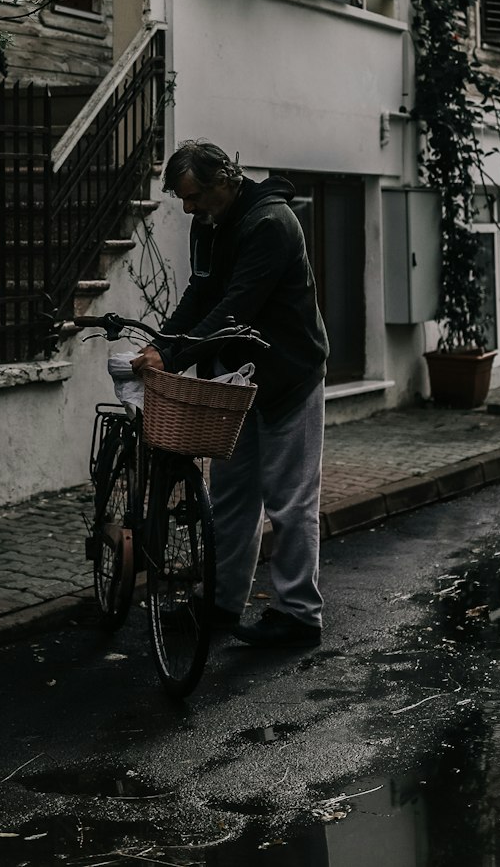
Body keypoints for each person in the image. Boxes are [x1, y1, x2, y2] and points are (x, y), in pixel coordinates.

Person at [132, 139, 328, 648]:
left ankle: (299, 615)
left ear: (225, 178)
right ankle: (221, 605)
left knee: (290, 501)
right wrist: (162, 344)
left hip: (288, 375)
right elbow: (200, 293)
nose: (189, 208)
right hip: (236, 379)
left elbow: (237, 308)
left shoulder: (270, 225)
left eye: (194, 196)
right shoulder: (210, 223)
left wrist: (173, 357)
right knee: (231, 496)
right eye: (182, 199)